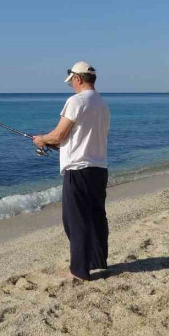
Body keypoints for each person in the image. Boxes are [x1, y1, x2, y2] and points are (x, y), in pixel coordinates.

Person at [33, 61, 110, 281]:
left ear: (77, 79)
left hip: (78, 171)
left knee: (75, 220)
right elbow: (82, 136)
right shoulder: (102, 104)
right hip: (99, 168)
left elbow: (58, 135)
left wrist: (41, 140)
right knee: (96, 217)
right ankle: (97, 262)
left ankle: (79, 270)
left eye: (72, 82)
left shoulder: (76, 101)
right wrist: (55, 143)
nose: (72, 86)